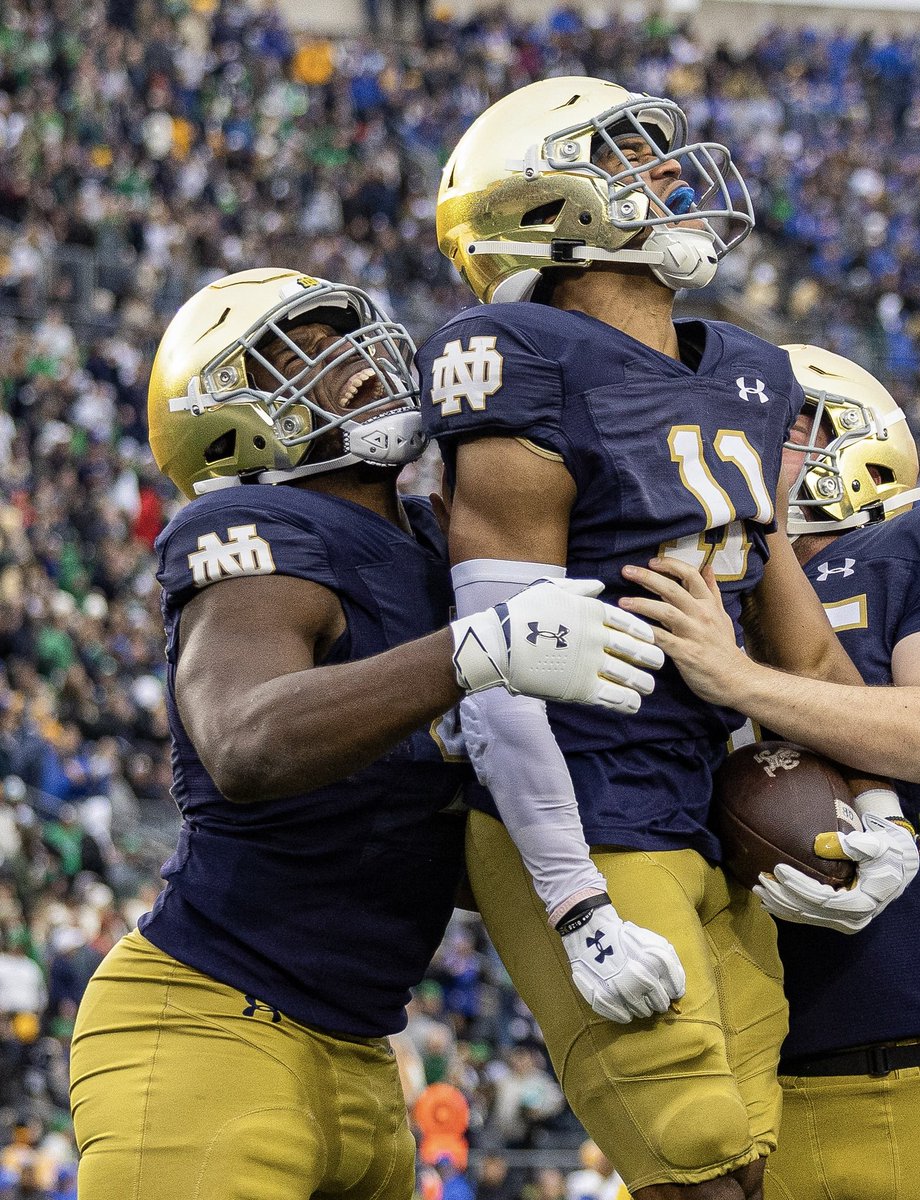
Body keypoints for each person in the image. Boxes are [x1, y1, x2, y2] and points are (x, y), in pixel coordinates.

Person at [420, 78, 919, 1199]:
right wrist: (574, 904)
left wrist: (877, 800)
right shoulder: (518, 356)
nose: (665, 178)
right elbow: (496, 660)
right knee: (696, 1164)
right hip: (582, 808)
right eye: (624, 159)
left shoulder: (749, 369)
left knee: (757, 1167)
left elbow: (792, 634)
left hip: (699, 809)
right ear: (544, 207)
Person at [67, 267, 665, 1200]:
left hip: (364, 1058)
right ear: (222, 418)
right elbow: (246, 741)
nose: (351, 358)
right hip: (209, 1025)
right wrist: (473, 650)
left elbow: (441, 829)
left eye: (347, 331)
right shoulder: (256, 528)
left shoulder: (438, 544)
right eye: (301, 350)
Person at [621, 346, 920, 1199]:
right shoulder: (666, 575)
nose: (741, 441)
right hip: (754, 1095)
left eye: (780, 423)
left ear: (858, 441)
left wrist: (739, 679)